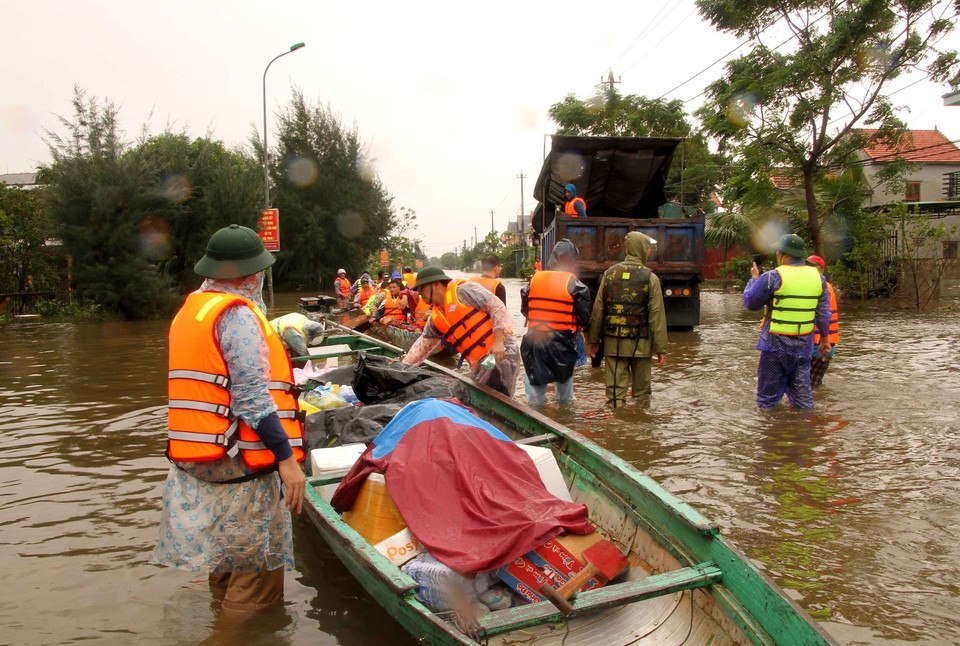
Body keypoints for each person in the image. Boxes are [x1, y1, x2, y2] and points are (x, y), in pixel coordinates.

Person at [151, 223, 306, 617]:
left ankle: (224, 619)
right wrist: (287, 461)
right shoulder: (237, 316)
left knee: (226, 559)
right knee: (256, 574)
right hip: (239, 461)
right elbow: (253, 399)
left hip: (201, 460)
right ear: (253, 275)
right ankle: (237, 636)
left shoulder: (191, 310)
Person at [743, 234, 832, 409]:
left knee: (767, 401)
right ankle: (806, 431)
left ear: (782, 254)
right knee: (802, 399)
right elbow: (823, 314)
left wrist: (754, 279)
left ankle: (770, 432)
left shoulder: (772, 277)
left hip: (775, 345)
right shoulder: (819, 278)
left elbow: (751, 304)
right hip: (804, 345)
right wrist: (825, 340)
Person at [402, 266, 520, 397]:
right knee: (475, 394)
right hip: (482, 362)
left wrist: (498, 342)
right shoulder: (435, 318)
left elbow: (496, 306)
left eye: (421, 288)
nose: (419, 293)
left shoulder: (464, 291)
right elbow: (422, 346)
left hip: (502, 352)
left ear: (435, 285)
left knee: (496, 395)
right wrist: (402, 367)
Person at [587, 231, 668, 406]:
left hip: (613, 344)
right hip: (641, 345)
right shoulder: (650, 278)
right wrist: (661, 348)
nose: (648, 252)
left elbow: (598, 310)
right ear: (641, 249)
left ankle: (617, 428)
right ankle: (640, 425)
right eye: (647, 248)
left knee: (615, 396)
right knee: (642, 395)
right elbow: (657, 316)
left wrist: (593, 340)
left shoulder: (609, 274)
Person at [519, 239, 592, 407]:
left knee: (535, 382)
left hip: (536, 339)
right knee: (565, 386)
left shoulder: (534, 280)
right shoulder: (576, 285)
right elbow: (584, 317)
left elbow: (525, 309)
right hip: (563, 342)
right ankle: (565, 419)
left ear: (552, 258)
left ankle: (535, 415)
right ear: (572, 260)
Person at [806, 255, 839, 388]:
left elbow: (820, 315)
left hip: (819, 344)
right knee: (813, 386)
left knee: (807, 387)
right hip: (823, 344)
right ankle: (822, 405)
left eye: (813, 268)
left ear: (822, 270)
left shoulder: (821, 288)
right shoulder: (824, 286)